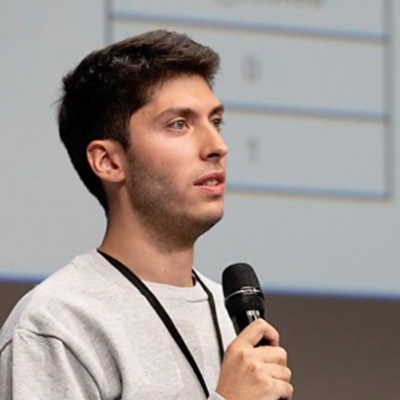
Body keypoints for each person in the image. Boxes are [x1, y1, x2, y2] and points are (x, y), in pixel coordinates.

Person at [0, 30, 293, 400]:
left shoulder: (228, 312)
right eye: (179, 124)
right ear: (108, 161)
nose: (218, 146)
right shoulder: (58, 323)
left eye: (216, 122)